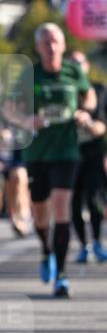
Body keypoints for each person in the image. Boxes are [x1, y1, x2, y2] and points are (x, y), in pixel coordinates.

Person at [10, 23, 95, 298]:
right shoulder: (29, 73)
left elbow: (90, 96)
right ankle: (46, 251)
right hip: (37, 153)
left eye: (56, 41)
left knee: (62, 209)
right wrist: (25, 120)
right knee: (40, 212)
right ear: (38, 47)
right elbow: (7, 108)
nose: (51, 46)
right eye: (46, 42)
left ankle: (62, 275)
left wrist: (84, 111)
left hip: (66, 151)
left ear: (63, 44)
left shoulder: (74, 71)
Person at [68, 51, 107, 263]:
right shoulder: (63, 90)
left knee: (94, 198)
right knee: (73, 201)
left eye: (79, 63)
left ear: (87, 66)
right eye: (71, 64)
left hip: (93, 151)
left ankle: (98, 242)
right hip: (68, 153)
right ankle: (84, 245)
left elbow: (102, 123)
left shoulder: (99, 90)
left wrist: (89, 124)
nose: (75, 68)